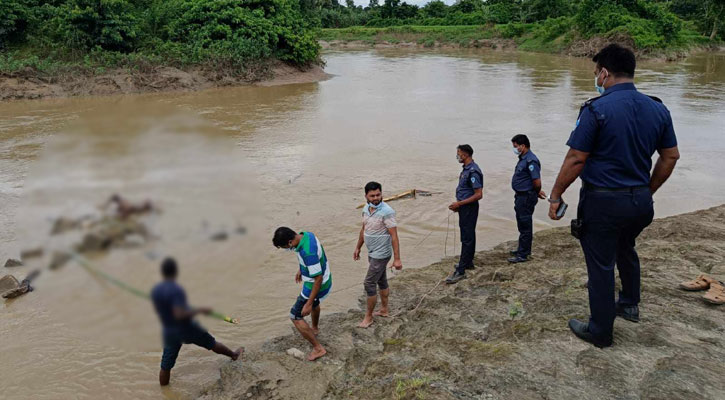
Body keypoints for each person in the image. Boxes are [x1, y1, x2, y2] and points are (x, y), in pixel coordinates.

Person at [547, 44, 679, 348]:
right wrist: (647, 190)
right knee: (626, 247)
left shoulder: (596, 109)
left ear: (604, 73)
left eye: (596, 73)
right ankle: (629, 305)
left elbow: (576, 158)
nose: (596, 79)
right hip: (640, 203)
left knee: (601, 264)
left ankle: (600, 332)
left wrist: (555, 195)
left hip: (604, 202)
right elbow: (670, 156)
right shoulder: (658, 108)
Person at [151, 258, 243, 386]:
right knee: (212, 343)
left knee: (165, 366)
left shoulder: (157, 290)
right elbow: (179, 314)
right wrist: (199, 310)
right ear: (175, 272)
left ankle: (165, 391)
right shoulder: (176, 290)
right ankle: (234, 355)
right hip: (187, 329)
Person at [273, 227, 332, 361]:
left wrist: (308, 303)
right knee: (315, 303)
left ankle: (318, 348)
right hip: (325, 277)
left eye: (284, 247)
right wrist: (301, 269)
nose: (287, 250)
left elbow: (318, 278)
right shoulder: (306, 235)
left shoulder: (308, 253)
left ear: (289, 243)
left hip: (315, 285)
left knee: (295, 315)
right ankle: (315, 329)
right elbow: (313, 260)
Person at [353, 181, 403, 328]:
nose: (375, 198)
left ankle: (368, 317)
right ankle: (384, 310)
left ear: (382, 194)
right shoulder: (366, 209)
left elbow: (394, 236)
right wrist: (358, 247)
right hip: (372, 252)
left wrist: (397, 259)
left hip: (382, 254)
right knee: (381, 280)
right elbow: (364, 230)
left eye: (378, 195)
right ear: (366, 196)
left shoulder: (387, 211)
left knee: (369, 283)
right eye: (372, 195)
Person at [446, 144, 484, 284]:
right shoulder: (466, 169)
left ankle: (461, 270)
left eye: (459, 153)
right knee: (468, 235)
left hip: (469, 208)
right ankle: (468, 262)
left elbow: (479, 194)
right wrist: (459, 205)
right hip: (464, 207)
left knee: (467, 237)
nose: (457, 156)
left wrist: (460, 204)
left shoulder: (473, 171)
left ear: (465, 154)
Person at [509, 134, 546, 263]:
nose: (514, 149)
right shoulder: (523, 158)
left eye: (515, 146)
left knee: (525, 223)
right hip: (521, 195)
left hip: (526, 196)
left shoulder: (531, 160)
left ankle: (523, 254)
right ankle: (522, 248)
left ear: (523, 146)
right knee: (521, 222)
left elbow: (536, 180)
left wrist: (536, 192)